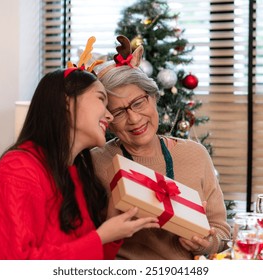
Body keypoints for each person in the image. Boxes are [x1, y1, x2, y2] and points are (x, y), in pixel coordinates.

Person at [0, 37, 159, 260]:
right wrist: (100, 236)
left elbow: (88, 261)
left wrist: (112, 228)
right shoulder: (18, 171)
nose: (110, 115)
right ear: (66, 103)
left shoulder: (74, 173)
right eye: (100, 99)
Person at [91, 35, 231, 259]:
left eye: (138, 103)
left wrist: (204, 244)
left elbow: (222, 233)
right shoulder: (95, 163)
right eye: (118, 112)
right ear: (107, 119)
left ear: (154, 98)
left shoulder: (195, 154)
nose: (134, 119)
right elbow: (83, 243)